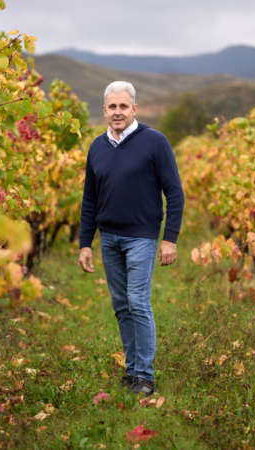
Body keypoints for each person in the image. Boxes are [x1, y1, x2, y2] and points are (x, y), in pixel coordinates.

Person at [77, 81, 185, 395]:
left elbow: (174, 193)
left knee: (138, 302)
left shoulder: (154, 141)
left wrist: (170, 238)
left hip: (141, 237)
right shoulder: (97, 146)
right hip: (109, 238)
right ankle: (133, 370)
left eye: (124, 106)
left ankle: (146, 377)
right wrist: (86, 242)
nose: (118, 112)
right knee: (121, 305)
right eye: (112, 107)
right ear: (104, 111)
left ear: (134, 109)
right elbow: (90, 199)